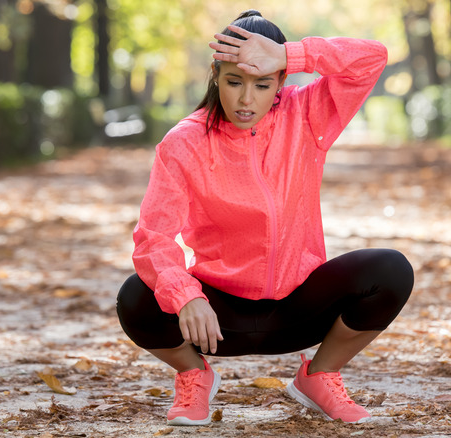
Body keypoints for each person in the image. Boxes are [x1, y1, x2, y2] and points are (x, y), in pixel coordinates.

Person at [116, 10, 414, 426]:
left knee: (390, 269)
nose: (245, 99)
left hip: (299, 307)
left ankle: (318, 374)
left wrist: (291, 54)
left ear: (279, 82)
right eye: (234, 82)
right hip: (219, 320)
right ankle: (194, 375)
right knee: (136, 296)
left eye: (261, 84)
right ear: (215, 77)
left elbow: (372, 58)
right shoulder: (184, 142)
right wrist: (186, 296)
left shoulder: (307, 115)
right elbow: (153, 237)